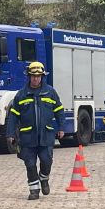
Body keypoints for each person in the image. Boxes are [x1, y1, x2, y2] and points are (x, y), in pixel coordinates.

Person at [7, 61, 66, 200]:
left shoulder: (50, 92)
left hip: (46, 135)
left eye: (38, 76)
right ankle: (34, 190)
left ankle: (44, 178)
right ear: (29, 76)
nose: (36, 79)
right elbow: (13, 116)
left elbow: (59, 111)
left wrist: (61, 127)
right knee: (30, 164)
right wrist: (10, 134)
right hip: (28, 136)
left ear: (42, 77)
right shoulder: (21, 95)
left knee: (46, 160)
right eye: (33, 76)